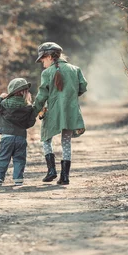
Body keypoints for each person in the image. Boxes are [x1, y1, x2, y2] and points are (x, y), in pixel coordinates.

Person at [33, 42, 87, 185]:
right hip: (70, 112)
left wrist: (33, 110)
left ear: (50, 57)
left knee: (46, 138)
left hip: (53, 112)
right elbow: (82, 86)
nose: (42, 63)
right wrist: (70, 96)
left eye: (43, 59)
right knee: (66, 143)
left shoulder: (46, 73)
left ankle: (51, 171)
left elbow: (42, 96)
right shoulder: (75, 69)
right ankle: (65, 176)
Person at [0, 77, 40, 186]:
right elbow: (29, 124)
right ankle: (18, 178)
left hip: (7, 137)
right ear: (25, 92)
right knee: (19, 158)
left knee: (4, 157)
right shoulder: (28, 106)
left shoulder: (3, 103)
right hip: (21, 137)